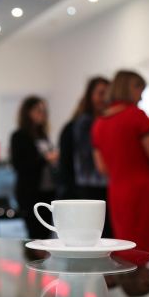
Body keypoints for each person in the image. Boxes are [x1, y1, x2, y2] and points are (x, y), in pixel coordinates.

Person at [92, 70, 149, 254]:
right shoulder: (135, 115)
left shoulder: (99, 124)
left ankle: (130, 283)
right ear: (129, 88)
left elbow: (102, 168)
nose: (141, 96)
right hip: (143, 191)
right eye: (140, 89)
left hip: (117, 192)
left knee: (127, 249)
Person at [58, 77, 113, 237]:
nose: (104, 98)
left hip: (111, 189)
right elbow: (66, 167)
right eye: (100, 93)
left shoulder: (110, 123)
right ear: (90, 95)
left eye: (107, 93)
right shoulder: (73, 128)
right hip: (85, 194)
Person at [10, 96, 58, 240]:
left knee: (47, 233)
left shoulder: (43, 135)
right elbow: (19, 165)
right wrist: (46, 159)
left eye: (44, 110)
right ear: (27, 112)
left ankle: (44, 262)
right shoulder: (19, 136)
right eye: (38, 110)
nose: (42, 114)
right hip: (30, 192)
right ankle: (34, 262)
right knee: (35, 235)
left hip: (48, 190)